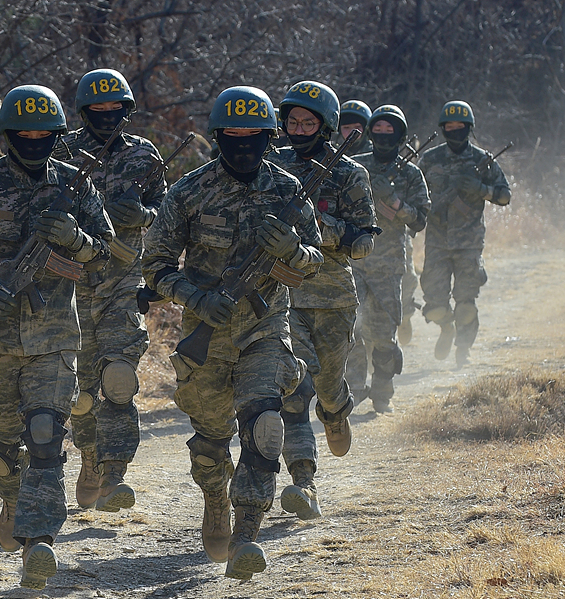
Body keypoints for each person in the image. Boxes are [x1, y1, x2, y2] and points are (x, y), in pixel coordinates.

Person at [0, 85, 114, 590]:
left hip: (55, 336)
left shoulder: (76, 186)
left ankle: (40, 541)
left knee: (46, 435)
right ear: (9, 134)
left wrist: (74, 239)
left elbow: (104, 249)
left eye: (43, 132)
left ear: (56, 134)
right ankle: (12, 496)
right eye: (24, 132)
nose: (33, 139)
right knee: (2, 438)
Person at [142, 85, 323, 580]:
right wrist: (194, 296)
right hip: (207, 333)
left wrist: (292, 249)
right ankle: (215, 500)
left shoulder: (288, 190)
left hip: (265, 329)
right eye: (233, 135)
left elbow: (315, 261)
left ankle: (246, 533)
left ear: (268, 137)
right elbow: (153, 264)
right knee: (211, 437)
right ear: (219, 136)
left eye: (254, 135)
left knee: (265, 426)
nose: (243, 143)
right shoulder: (189, 191)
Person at [54, 68, 166, 512]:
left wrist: (143, 216)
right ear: (84, 111)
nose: (106, 115)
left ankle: (115, 473)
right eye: (97, 109)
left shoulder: (145, 154)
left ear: (127, 109)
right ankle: (90, 459)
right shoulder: (61, 152)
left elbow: (164, 208)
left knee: (118, 379)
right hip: (70, 283)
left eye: (114, 107)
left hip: (123, 281)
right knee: (80, 394)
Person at [269, 81, 376, 470]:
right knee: (293, 388)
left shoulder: (350, 173)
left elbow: (364, 242)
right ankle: (303, 476)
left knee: (328, 387)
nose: (298, 130)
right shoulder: (270, 168)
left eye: (307, 123)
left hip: (332, 298)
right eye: (292, 122)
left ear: (325, 125)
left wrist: (318, 225)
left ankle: (334, 414)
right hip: (281, 294)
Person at [347, 105, 430, 413]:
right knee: (351, 331)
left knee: (383, 336)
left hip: (388, 266)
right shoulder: (354, 165)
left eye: (390, 130)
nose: (383, 136)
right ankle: (353, 390)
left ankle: (382, 392)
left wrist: (395, 201)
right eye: (378, 130)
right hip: (353, 260)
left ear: (400, 135)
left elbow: (420, 221)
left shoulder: (410, 173)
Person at [418, 100, 511, 368]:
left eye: (460, 126)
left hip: (469, 243)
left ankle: (463, 350)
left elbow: (505, 196)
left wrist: (481, 189)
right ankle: (447, 327)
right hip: (437, 242)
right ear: (443, 128)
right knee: (434, 302)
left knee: (466, 302)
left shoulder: (483, 160)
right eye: (450, 126)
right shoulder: (430, 159)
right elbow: (413, 190)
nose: (455, 130)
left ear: (468, 128)